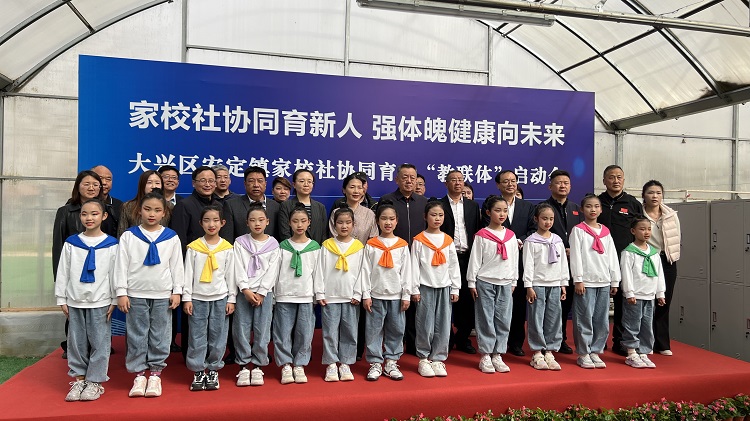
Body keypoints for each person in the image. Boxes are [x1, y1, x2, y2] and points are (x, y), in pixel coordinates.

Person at [114, 192, 184, 397]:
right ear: (139, 211)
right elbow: (121, 265)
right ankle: (139, 374)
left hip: (163, 294)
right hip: (135, 293)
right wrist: (121, 292)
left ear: (164, 213)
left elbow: (177, 266)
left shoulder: (171, 237)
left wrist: (177, 291)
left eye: (157, 210)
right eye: (147, 209)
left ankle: (155, 374)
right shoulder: (129, 236)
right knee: (137, 333)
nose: (152, 214)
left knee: (160, 334)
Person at [55, 199, 118, 401]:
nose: (89, 218)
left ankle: (95, 382)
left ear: (104, 216)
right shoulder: (71, 243)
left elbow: (115, 274)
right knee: (76, 342)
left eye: (94, 214)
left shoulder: (112, 245)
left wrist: (114, 299)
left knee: (100, 342)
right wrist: (61, 298)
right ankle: (79, 379)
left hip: (101, 301)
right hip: (75, 300)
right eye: (84, 214)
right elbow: (63, 271)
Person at [53, 170, 105, 358]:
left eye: (95, 184)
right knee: (74, 313)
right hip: (74, 270)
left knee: (98, 316)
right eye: (86, 184)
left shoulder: (107, 211)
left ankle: (96, 348)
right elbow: (58, 245)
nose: (91, 188)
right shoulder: (65, 211)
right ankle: (73, 348)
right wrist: (59, 280)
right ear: (78, 187)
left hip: (99, 271)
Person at [183, 205, 236, 391]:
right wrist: (187, 298)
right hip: (198, 298)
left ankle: (213, 369)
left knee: (218, 335)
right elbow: (188, 274)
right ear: (201, 223)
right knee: (197, 336)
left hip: (220, 298)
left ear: (222, 223)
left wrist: (231, 299)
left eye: (215, 220)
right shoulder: (194, 248)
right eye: (207, 220)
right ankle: (198, 370)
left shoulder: (227, 248)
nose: (211, 224)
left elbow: (231, 275)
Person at [170, 166, 221, 357]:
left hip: (216, 267)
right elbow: (180, 240)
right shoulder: (185, 205)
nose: (208, 184)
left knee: (215, 319)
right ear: (193, 183)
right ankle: (190, 354)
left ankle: (212, 354)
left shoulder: (219, 205)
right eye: (203, 180)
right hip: (192, 267)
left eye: (211, 180)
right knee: (191, 313)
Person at [379, 163, 428, 355]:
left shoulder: (423, 202)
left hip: (417, 259)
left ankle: (414, 344)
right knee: (394, 305)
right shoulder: (387, 200)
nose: (409, 181)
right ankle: (390, 346)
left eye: (412, 177)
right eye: (405, 177)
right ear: (396, 179)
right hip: (392, 259)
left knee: (414, 301)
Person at [360, 200, 412, 381]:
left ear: (397, 221)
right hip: (376, 295)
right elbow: (365, 271)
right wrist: (366, 294)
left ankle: (391, 361)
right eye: (383, 219)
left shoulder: (402, 245)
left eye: (391, 219)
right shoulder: (371, 245)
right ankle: (375, 362)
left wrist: (406, 295)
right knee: (373, 330)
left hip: (396, 296)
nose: (388, 222)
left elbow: (407, 272)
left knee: (396, 329)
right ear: (377, 221)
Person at [467, 196, 518, 374]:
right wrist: (472, 282)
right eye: (497, 210)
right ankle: (486, 354)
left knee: (503, 319)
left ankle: (498, 354)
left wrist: (514, 280)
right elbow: (475, 260)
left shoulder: (511, 236)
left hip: (506, 282)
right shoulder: (482, 235)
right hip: (485, 281)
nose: (502, 214)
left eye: (505, 210)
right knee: (485, 318)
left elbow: (514, 260)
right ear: (488, 213)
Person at [487, 170, 535, 357]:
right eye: (506, 181)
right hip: (497, 262)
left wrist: (518, 240)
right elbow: (486, 229)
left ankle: (516, 342)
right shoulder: (492, 204)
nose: (510, 184)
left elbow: (533, 229)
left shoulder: (527, 206)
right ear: (498, 185)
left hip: (520, 259)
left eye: (513, 181)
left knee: (518, 304)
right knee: (497, 306)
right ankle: (495, 343)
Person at [570, 194, 621, 369]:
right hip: (586, 282)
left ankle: (596, 351)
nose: (593, 210)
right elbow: (575, 256)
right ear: (582, 210)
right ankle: (583, 353)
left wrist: (614, 280)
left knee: (601, 320)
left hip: (603, 281)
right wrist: (578, 279)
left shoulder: (605, 232)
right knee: (584, 318)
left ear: (601, 210)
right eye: (589, 206)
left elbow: (612, 257)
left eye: (596, 206)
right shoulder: (578, 230)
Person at [273, 203, 322, 384]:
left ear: (309, 222)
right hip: (284, 295)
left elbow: (318, 273)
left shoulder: (314, 247)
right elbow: (275, 272)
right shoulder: (283, 246)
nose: (299, 225)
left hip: (306, 295)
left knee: (305, 332)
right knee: (282, 332)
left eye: (303, 221)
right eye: (295, 221)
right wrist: (274, 295)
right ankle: (286, 364)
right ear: (289, 223)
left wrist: (318, 295)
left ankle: (300, 364)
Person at [233, 202, 280, 386]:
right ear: (247, 223)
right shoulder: (240, 242)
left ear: (267, 221)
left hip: (264, 294)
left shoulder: (273, 244)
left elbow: (273, 270)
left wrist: (261, 292)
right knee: (241, 329)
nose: (257, 223)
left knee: (262, 330)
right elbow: (237, 267)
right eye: (252, 220)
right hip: (244, 293)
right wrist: (245, 289)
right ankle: (244, 365)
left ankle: (259, 365)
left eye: (261, 220)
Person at [597, 165, 643, 356]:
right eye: (611, 177)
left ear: (623, 180)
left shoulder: (632, 203)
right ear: (604, 180)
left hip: (625, 260)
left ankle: (621, 341)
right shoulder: (597, 202)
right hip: (599, 260)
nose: (615, 181)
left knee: (624, 303)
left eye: (619, 177)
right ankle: (597, 341)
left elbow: (641, 231)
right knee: (598, 304)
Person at [411, 201, 460, 378]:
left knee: (444, 324)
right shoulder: (419, 240)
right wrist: (414, 289)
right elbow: (414, 266)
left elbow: (453, 265)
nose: (437, 218)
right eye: (433, 215)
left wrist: (455, 288)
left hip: (444, 287)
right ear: (425, 217)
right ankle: (424, 358)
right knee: (425, 324)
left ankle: (438, 358)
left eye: (440, 215)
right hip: (425, 287)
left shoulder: (447, 240)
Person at [316, 207, 365, 382]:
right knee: (329, 331)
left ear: (353, 224)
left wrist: (358, 293)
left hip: (350, 296)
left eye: (348, 222)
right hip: (331, 296)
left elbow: (363, 272)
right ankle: (331, 363)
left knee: (350, 331)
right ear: (334, 225)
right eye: (340, 222)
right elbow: (320, 270)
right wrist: (320, 292)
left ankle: (345, 363)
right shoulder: (327, 246)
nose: (344, 226)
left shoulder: (358, 247)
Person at [439, 170, 481, 354]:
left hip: (467, 257)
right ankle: (445, 339)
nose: (458, 183)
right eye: (453, 180)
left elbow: (477, 230)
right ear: (446, 183)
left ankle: (463, 338)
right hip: (445, 258)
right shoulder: (439, 205)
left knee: (467, 300)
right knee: (445, 299)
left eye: (460, 180)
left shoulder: (473, 206)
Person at [523, 203, 569, 371]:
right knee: (536, 318)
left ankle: (550, 350)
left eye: (551, 219)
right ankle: (537, 352)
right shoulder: (531, 241)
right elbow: (528, 264)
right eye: (544, 218)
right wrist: (529, 285)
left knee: (553, 318)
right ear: (536, 219)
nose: (548, 222)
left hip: (555, 284)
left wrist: (563, 283)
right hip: (538, 284)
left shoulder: (557, 240)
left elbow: (563, 263)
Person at [542, 169, 582, 354]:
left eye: (566, 183)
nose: (563, 186)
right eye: (559, 183)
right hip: (550, 263)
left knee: (566, 304)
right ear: (550, 186)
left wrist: (573, 250)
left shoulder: (576, 209)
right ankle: (545, 340)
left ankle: (561, 339)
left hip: (572, 262)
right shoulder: (543, 208)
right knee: (549, 305)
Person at [620, 216, 666, 369]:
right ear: (633, 231)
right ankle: (631, 353)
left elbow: (659, 274)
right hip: (635, 295)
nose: (646, 232)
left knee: (647, 325)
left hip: (649, 295)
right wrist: (629, 292)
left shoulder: (654, 253)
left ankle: (644, 352)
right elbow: (626, 273)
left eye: (648, 229)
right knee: (632, 324)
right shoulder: (629, 252)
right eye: (642, 229)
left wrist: (660, 293)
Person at [642, 180, 680, 356]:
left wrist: (672, 255)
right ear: (644, 195)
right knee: (648, 300)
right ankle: (646, 341)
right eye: (651, 192)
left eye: (658, 193)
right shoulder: (639, 215)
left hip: (668, 261)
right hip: (648, 259)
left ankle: (662, 343)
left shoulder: (671, 215)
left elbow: (676, 237)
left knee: (665, 300)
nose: (655, 196)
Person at [221, 166, 280, 244]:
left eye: (260, 181)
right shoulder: (231, 205)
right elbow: (227, 239)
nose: (256, 185)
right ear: (245, 184)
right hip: (241, 250)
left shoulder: (276, 206)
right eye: (251, 181)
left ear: (265, 184)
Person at [278, 169, 328, 244]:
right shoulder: (286, 206)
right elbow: (284, 233)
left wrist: (317, 248)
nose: (306, 184)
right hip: (292, 249)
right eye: (302, 181)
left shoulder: (320, 207)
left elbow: (324, 234)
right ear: (294, 184)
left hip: (316, 249)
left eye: (309, 182)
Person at [329, 173, 378, 243]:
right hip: (339, 249)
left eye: (359, 188)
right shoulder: (336, 212)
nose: (356, 191)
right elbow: (333, 237)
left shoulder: (369, 214)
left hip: (364, 250)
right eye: (352, 187)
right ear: (344, 190)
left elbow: (373, 239)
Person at [118, 170, 169, 237]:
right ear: (142, 185)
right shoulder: (128, 206)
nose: (153, 186)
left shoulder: (169, 206)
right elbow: (121, 233)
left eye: (157, 183)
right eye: (149, 182)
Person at [92, 165, 122, 237]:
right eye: (100, 178)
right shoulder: (79, 204)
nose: (104, 182)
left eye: (108, 179)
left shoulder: (119, 205)